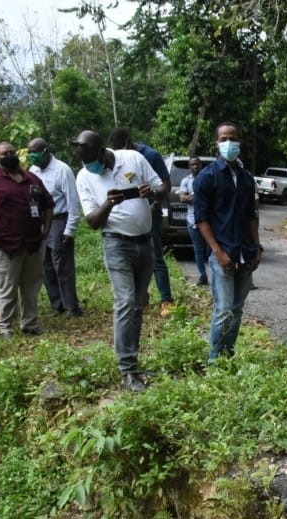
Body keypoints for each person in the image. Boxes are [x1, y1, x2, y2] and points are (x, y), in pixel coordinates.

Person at [72, 130, 166, 392]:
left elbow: (162, 186)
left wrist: (152, 193)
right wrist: (108, 204)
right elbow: (92, 221)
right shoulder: (84, 176)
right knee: (124, 301)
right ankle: (127, 370)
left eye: (90, 158)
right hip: (116, 243)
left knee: (138, 303)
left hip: (144, 241)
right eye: (82, 160)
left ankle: (133, 364)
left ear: (102, 150)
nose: (88, 165)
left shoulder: (133, 158)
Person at [0, 141, 54, 338]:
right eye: (4, 154)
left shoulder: (32, 178)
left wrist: (46, 229)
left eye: (12, 152)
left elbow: (48, 204)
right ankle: (5, 326)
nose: (10, 155)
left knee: (31, 286)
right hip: (5, 244)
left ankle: (30, 323)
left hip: (33, 242)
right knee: (7, 286)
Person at [193, 122, 261, 360]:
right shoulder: (206, 178)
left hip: (245, 252)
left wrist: (257, 247)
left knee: (237, 309)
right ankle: (214, 360)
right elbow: (201, 219)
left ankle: (228, 356)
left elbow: (252, 215)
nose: (228, 143)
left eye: (232, 138)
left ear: (240, 141)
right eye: (223, 139)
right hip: (222, 253)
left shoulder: (247, 178)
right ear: (217, 143)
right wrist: (217, 252)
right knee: (223, 310)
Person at [109, 128, 174, 316]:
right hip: (127, 217)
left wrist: (155, 200)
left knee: (156, 256)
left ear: (130, 142)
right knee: (134, 257)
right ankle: (141, 296)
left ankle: (166, 298)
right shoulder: (114, 158)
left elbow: (165, 185)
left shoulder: (150, 155)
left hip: (150, 212)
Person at [27, 138, 83, 317]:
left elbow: (73, 203)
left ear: (45, 150)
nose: (32, 155)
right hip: (40, 221)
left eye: (35, 151)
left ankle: (71, 307)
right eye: (29, 152)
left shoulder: (62, 170)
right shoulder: (33, 170)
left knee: (63, 266)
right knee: (46, 265)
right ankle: (57, 305)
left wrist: (70, 230)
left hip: (60, 219)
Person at [177, 156, 211, 287]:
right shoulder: (185, 181)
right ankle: (203, 275)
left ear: (200, 165)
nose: (195, 166)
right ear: (189, 167)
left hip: (208, 220)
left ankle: (217, 274)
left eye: (197, 164)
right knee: (198, 249)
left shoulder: (207, 178)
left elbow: (210, 198)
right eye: (192, 164)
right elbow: (182, 198)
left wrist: (192, 196)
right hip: (192, 220)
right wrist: (197, 197)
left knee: (211, 248)